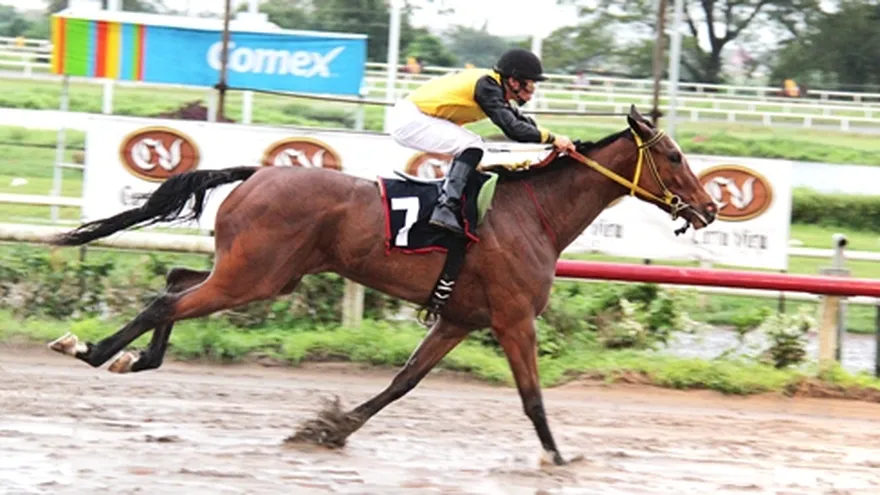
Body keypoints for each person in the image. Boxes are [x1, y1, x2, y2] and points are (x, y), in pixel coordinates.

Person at [387, 48, 576, 235]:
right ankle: (446, 208)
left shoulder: (494, 86)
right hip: (410, 119)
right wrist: (552, 139)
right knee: (472, 145)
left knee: (470, 148)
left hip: (416, 116)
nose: (532, 92)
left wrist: (554, 138)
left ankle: (452, 202)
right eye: (530, 85)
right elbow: (513, 129)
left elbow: (521, 121)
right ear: (513, 81)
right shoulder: (487, 87)